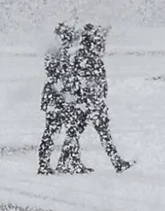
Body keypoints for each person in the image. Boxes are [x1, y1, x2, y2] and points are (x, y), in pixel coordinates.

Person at [57, 24, 133, 174]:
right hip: (90, 103)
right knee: (98, 132)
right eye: (97, 43)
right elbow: (87, 81)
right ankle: (116, 161)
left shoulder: (83, 57)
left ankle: (64, 162)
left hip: (86, 103)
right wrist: (91, 98)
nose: (100, 46)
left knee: (76, 132)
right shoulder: (86, 59)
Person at [37, 23, 78, 174]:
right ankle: (51, 163)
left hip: (58, 96)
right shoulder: (58, 53)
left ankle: (63, 161)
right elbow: (56, 76)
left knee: (61, 130)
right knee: (57, 130)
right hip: (59, 96)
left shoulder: (59, 51)